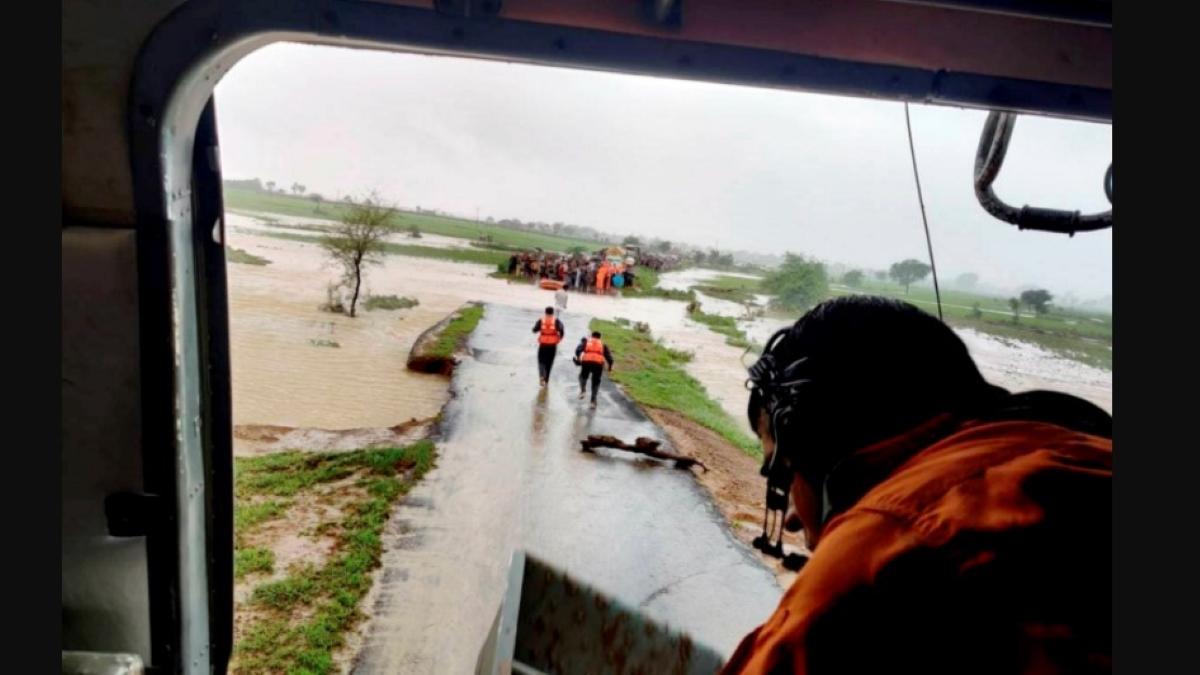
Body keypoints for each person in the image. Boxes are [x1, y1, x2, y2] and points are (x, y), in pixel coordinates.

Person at [722, 296, 1111, 675]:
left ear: (815, 442)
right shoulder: (1086, 456)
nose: (792, 516)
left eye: (783, 473)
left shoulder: (891, 541)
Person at [574, 330, 614, 408]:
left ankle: (583, 391)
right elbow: (609, 358)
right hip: (598, 364)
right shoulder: (603, 345)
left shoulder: (587, 342)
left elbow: (578, 350)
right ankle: (593, 401)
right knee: (595, 382)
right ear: (600, 337)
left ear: (592, 336)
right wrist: (610, 367)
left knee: (582, 376)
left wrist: (578, 357)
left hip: (586, 362)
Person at [531, 307, 565, 387]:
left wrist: (536, 329)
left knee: (541, 361)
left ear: (545, 312)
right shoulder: (556, 321)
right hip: (552, 345)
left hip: (543, 344)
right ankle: (546, 381)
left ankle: (541, 376)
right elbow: (562, 330)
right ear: (553, 313)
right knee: (549, 363)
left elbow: (534, 330)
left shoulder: (541, 320)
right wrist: (559, 339)